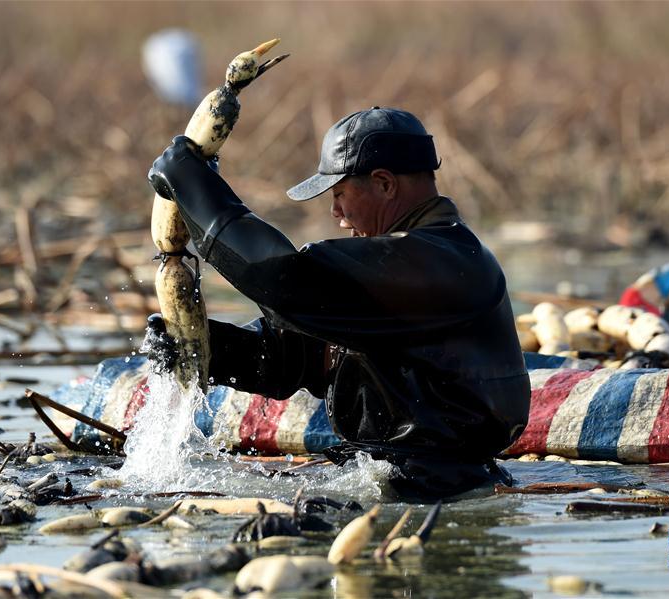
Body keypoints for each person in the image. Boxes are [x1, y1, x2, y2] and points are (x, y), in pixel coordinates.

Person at [148, 107, 530, 499]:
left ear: (384, 184)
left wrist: (193, 184)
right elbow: (302, 355)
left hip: (441, 490)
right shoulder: (410, 262)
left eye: (340, 195)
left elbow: (284, 280)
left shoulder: (440, 262)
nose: (337, 215)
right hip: (396, 475)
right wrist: (209, 348)